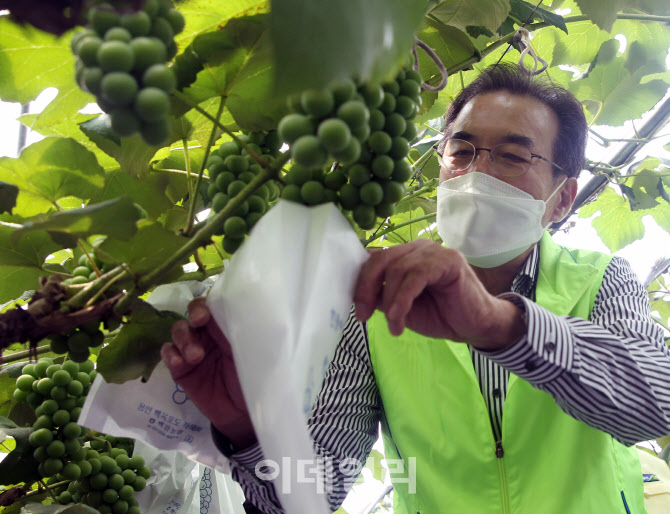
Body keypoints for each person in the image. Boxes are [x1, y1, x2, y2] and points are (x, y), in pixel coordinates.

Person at [161, 63, 670, 513]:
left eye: (513, 156)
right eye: (462, 150)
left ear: (562, 199)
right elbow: (315, 488)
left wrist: (500, 326)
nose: (476, 173)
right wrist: (245, 431)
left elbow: (656, 403)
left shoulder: (602, 277)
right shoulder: (375, 300)